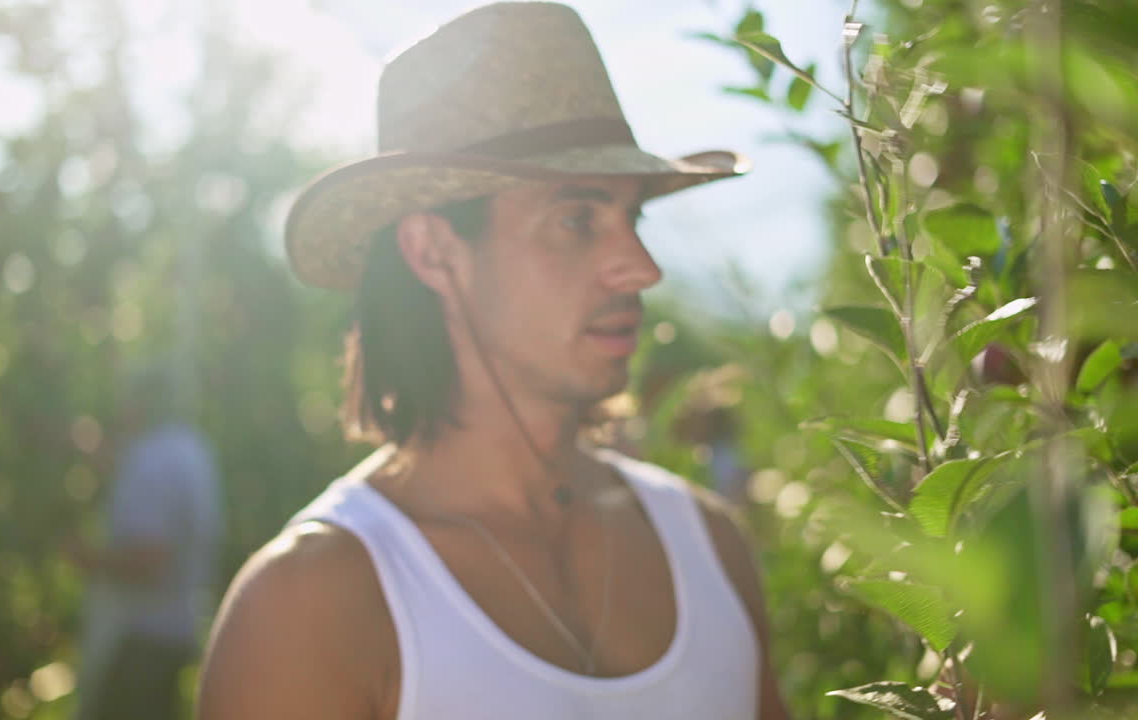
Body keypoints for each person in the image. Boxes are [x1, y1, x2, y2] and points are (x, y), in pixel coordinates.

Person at [199, 3, 790, 719]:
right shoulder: (314, 606)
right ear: (433, 251)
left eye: (632, 219)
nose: (640, 267)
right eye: (577, 219)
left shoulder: (710, 549)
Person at [70, 365, 222, 720]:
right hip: (173, 632)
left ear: (143, 402)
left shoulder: (150, 460)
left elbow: (152, 559)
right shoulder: (193, 450)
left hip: (134, 640)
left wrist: (87, 559)